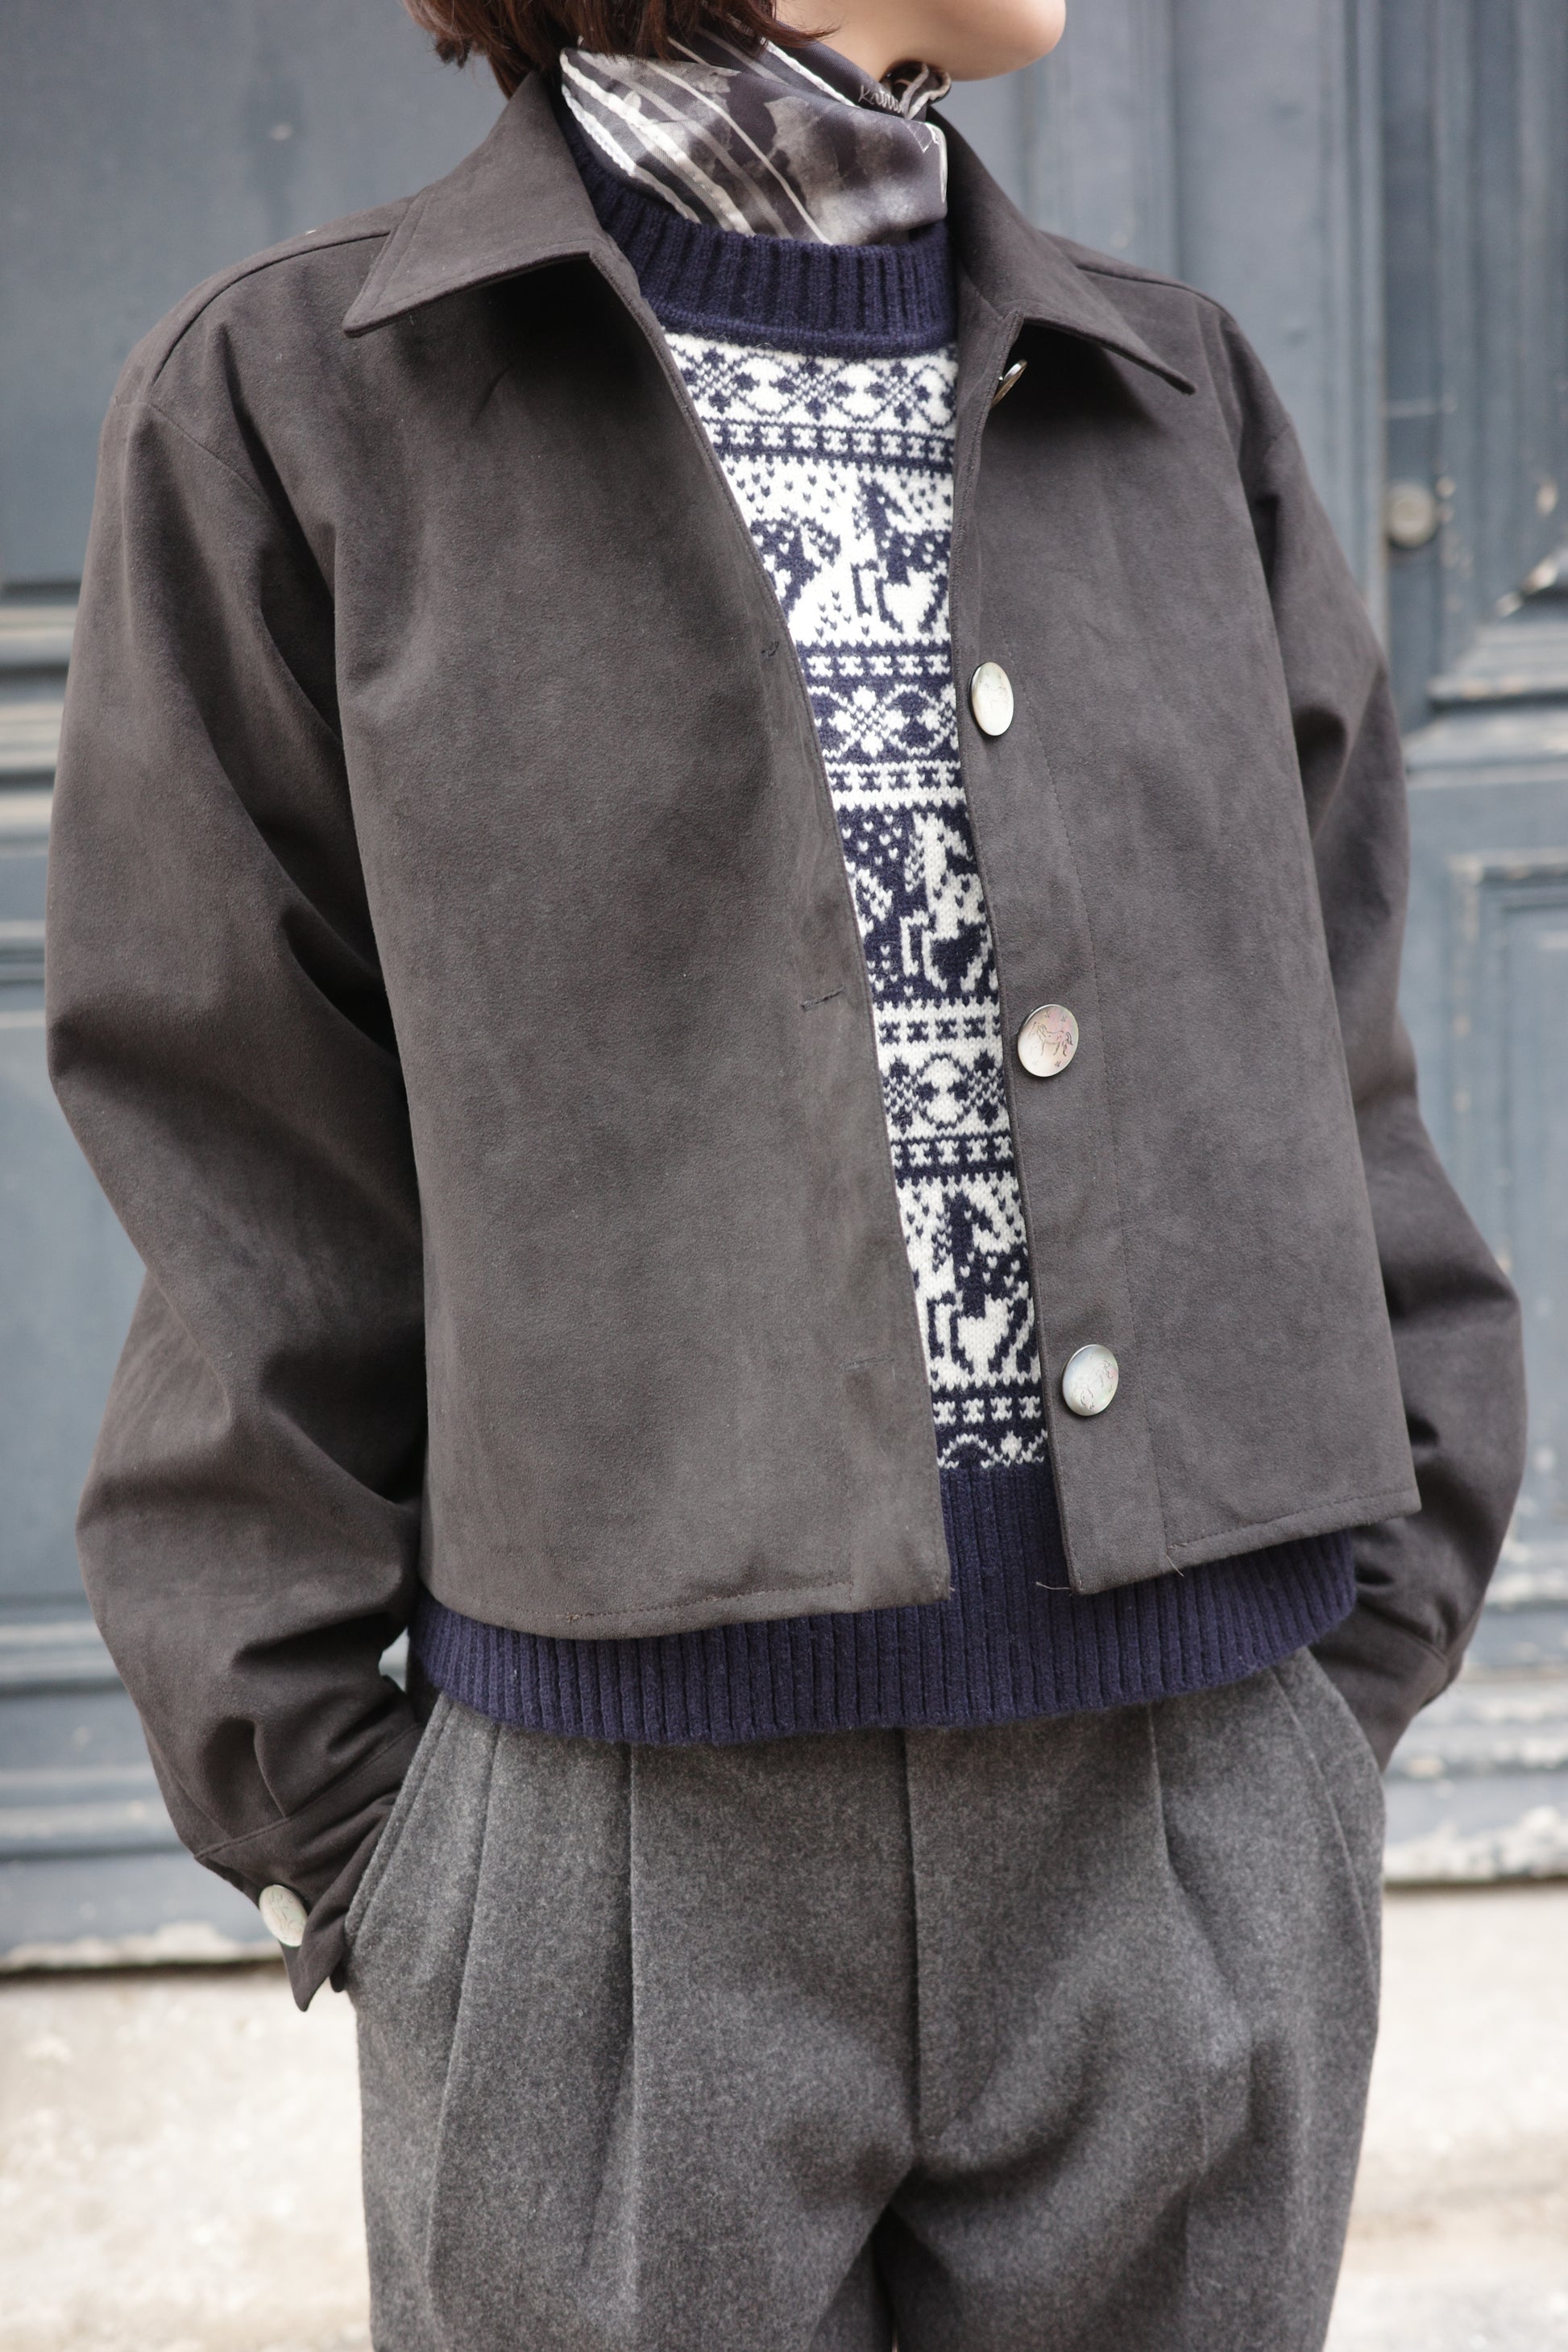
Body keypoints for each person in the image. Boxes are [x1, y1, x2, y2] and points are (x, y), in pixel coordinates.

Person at [47, 0, 1526, 2344]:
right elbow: (237, 1122)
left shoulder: (1176, 395)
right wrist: (374, 1843)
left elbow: (1334, 1062)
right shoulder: (304, 400)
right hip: (608, 1858)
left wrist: (1331, 1696)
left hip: (1190, 1810)